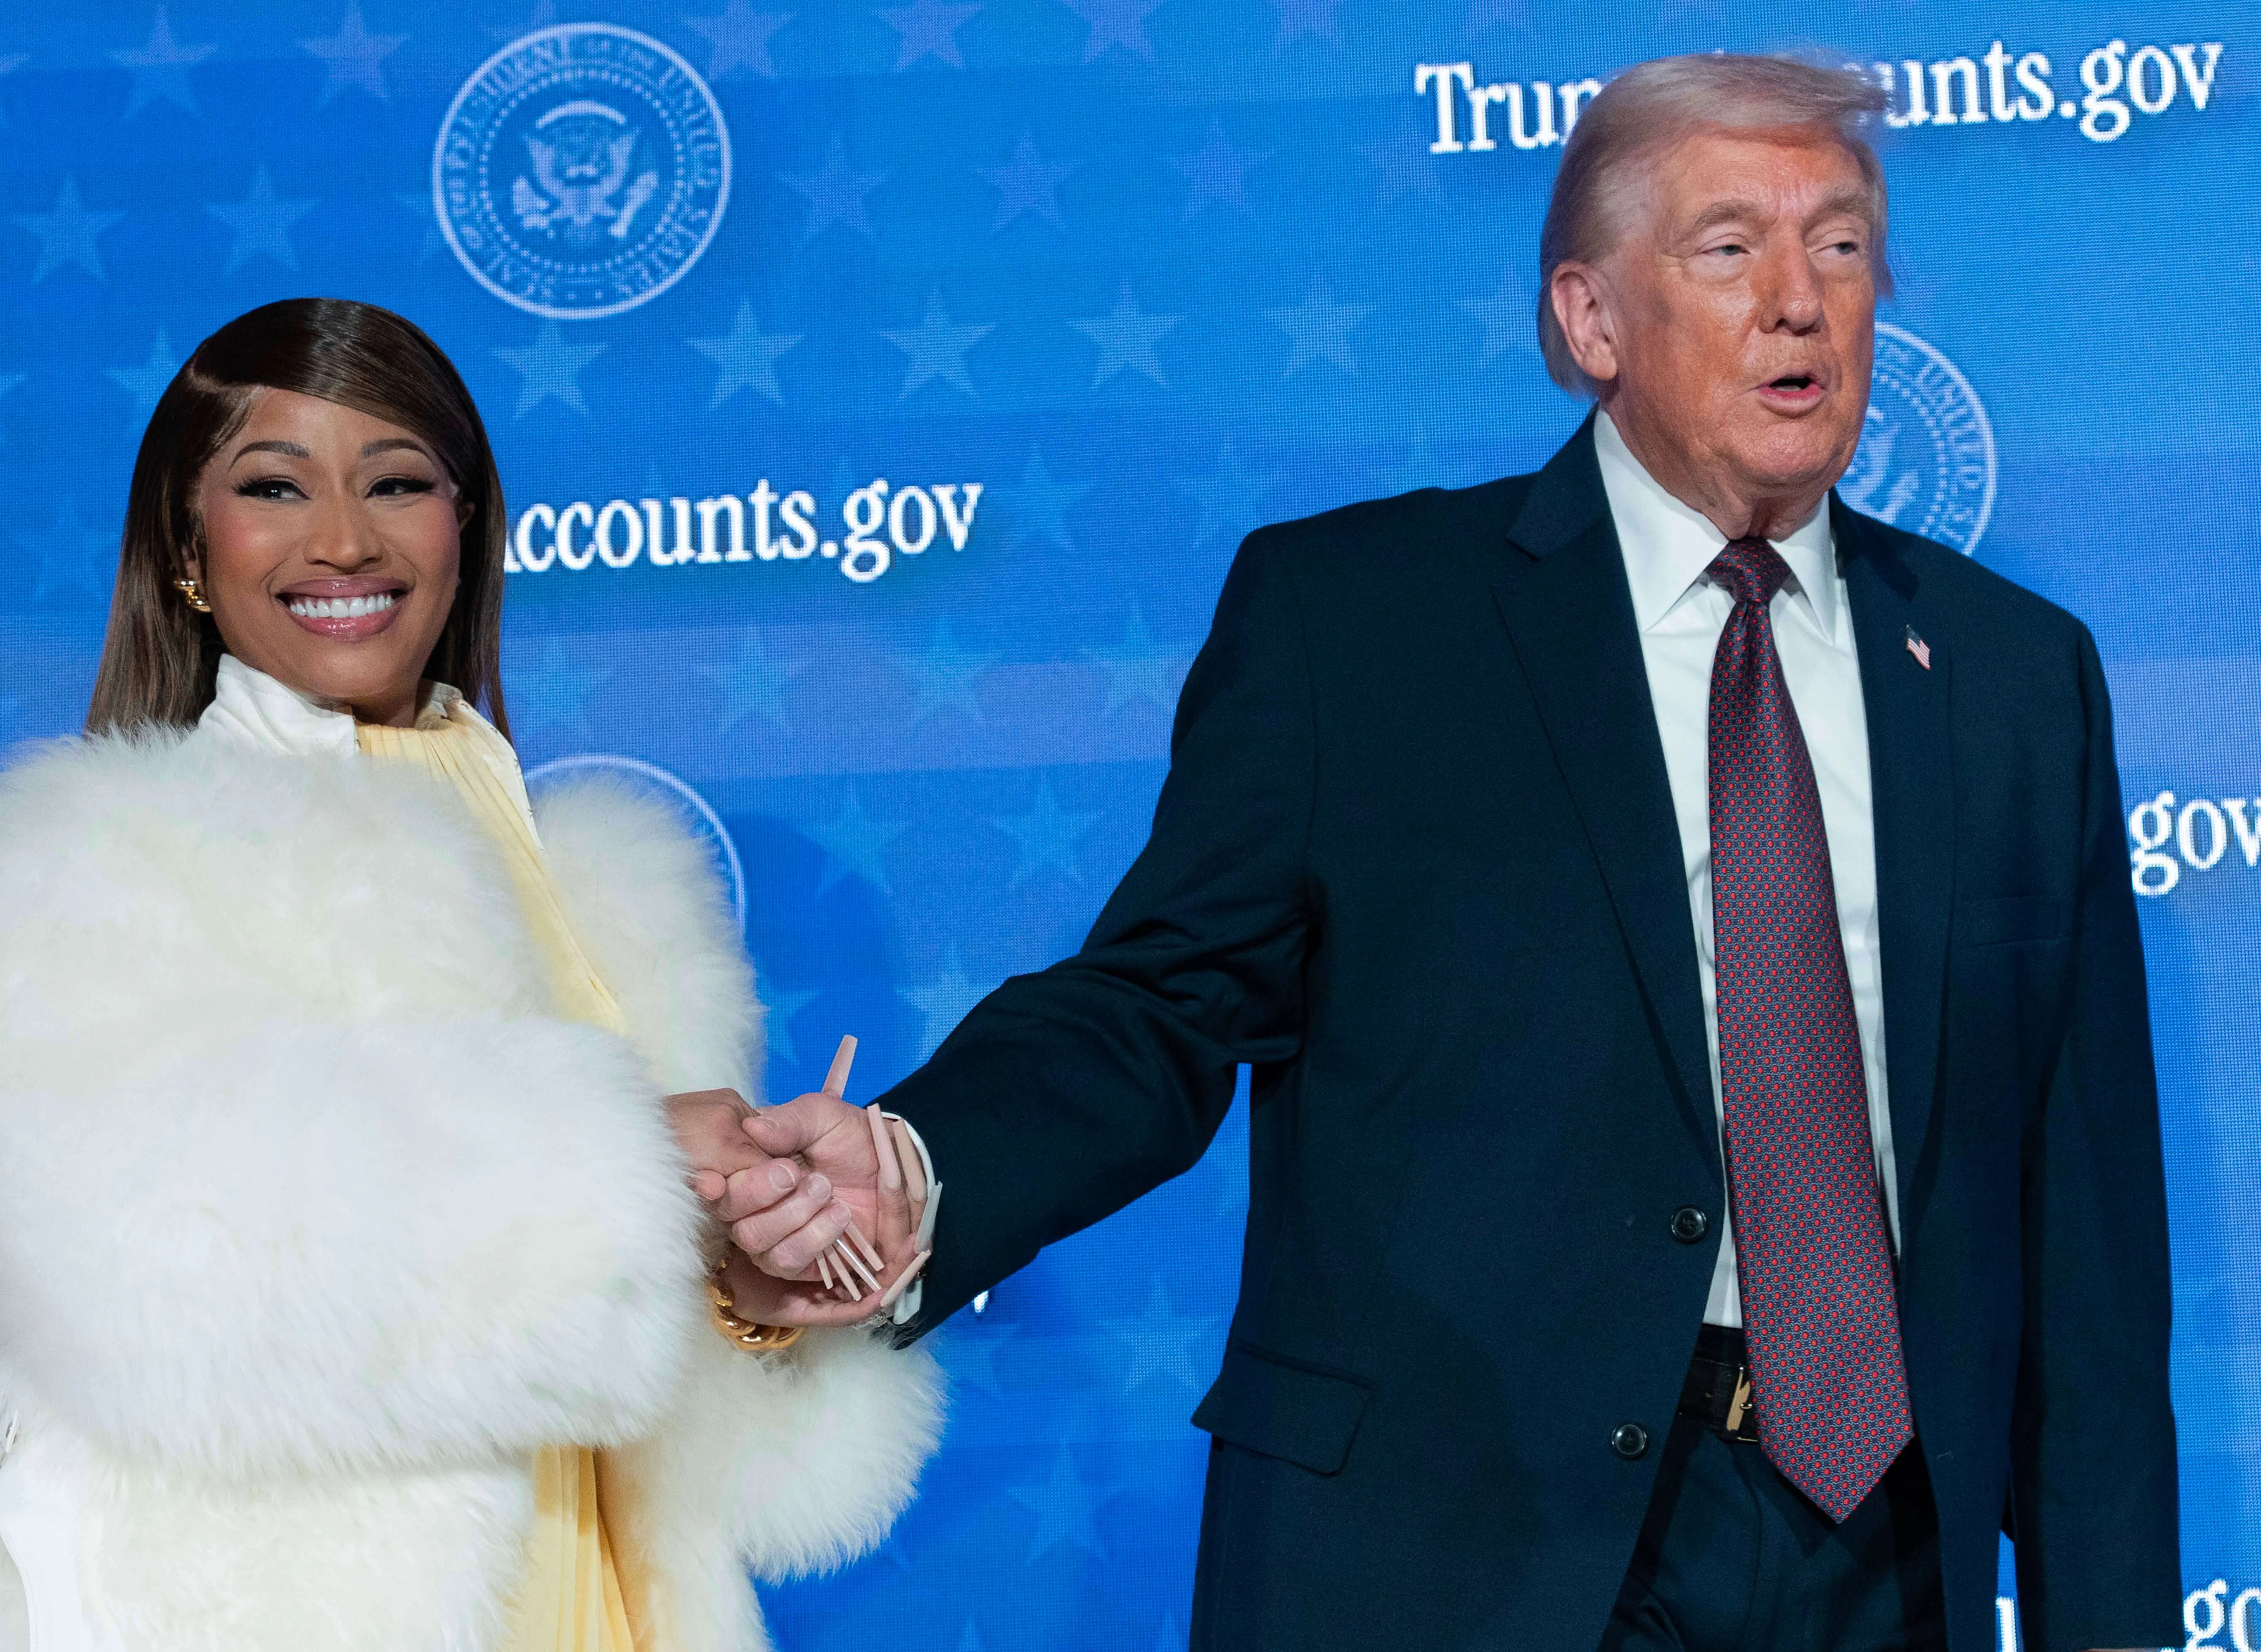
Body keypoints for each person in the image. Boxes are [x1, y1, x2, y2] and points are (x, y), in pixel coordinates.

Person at [690, 55, 2180, 1652]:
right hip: (1460, 1543)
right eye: (1730, 247)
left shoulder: (2016, 674)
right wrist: (922, 1166)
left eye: (1841, 244)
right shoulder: (1363, 624)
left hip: (1880, 1561)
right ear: (1589, 322)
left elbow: (2082, 1225)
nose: (1803, 301)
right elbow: (1162, 1005)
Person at [0, 297, 941, 1652]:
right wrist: (639, 1158)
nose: (343, 537)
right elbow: (177, 1269)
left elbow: (615, 1367)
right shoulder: (66, 861)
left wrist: (752, 1280)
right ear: (189, 545)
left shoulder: (602, 886)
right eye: (274, 486)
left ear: (466, 530)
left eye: (398, 482)